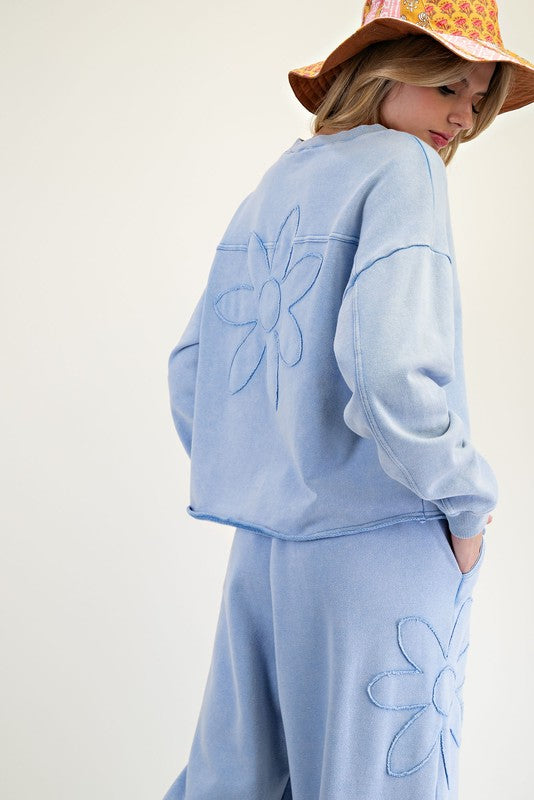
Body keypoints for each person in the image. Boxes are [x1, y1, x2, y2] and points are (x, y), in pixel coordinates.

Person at [162, 2, 534, 798]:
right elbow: (390, 371)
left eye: (478, 101)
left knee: (234, 784)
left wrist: (277, 479)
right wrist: (469, 507)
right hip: (379, 554)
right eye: (449, 88)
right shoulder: (405, 170)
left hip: (261, 557)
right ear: (386, 69)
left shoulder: (283, 177)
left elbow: (193, 369)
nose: (463, 119)